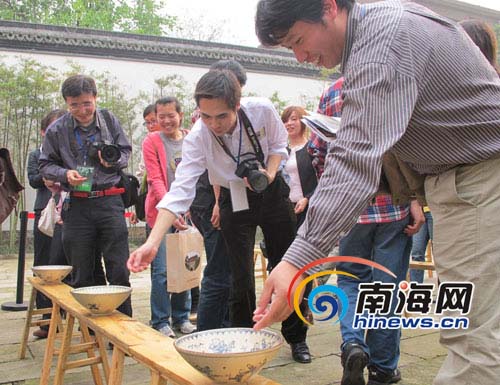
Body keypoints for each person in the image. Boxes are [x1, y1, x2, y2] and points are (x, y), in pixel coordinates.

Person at [254, 1, 500, 385]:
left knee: (475, 342)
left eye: (298, 40)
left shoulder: (383, 40)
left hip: (480, 184)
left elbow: (353, 162)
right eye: (290, 50)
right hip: (459, 185)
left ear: (329, 7)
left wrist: (296, 262)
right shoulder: (376, 34)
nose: (301, 57)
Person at [128, 69, 312, 364]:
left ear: (237, 105)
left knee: (290, 264)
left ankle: (297, 337)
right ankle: (247, 340)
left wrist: (269, 173)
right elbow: (180, 191)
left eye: (222, 116)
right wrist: (152, 241)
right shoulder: (199, 137)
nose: (213, 124)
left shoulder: (262, 109)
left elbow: (279, 146)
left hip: (272, 190)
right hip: (233, 195)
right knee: (238, 276)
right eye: (205, 116)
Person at [309, 77, 425, 384]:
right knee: (385, 289)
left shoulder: (334, 91)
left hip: (350, 209)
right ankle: (383, 368)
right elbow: (408, 148)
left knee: (350, 280)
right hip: (392, 206)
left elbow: (318, 151)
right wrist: (414, 198)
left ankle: (353, 343)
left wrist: (335, 194)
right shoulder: (392, 84)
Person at [39, 74, 133, 317]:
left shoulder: (109, 120)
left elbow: (125, 151)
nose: (81, 110)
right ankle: (92, 332)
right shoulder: (57, 129)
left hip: (109, 200)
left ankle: (124, 328)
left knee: (119, 269)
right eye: (74, 105)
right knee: (83, 272)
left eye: (86, 103)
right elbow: (45, 165)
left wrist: (112, 161)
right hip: (77, 205)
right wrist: (65, 174)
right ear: (67, 103)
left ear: (95, 97)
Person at [189, 59, 247, 332]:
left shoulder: (236, 117)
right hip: (212, 200)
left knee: (233, 271)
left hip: (230, 199)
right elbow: (216, 172)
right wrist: (217, 204)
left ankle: (227, 326)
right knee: (219, 271)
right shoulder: (207, 124)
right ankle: (206, 334)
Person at [142, 96, 195, 337]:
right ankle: (160, 320)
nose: (166, 120)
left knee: (184, 268)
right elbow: (154, 180)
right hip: (161, 214)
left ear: (180, 115)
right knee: (162, 270)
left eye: (170, 115)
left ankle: (181, 317)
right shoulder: (152, 141)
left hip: (190, 215)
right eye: (160, 116)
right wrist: (171, 211)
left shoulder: (191, 138)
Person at [27, 108, 65, 339]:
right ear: (43, 132)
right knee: (44, 264)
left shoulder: (70, 152)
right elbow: (32, 179)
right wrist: (48, 176)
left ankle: (71, 315)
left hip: (71, 210)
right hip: (45, 210)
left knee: (66, 262)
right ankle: (47, 319)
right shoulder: (36, 154)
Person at [409, 208, 433, 283]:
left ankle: (444, 288)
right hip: (419, 212)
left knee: (440, 255)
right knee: (416, 253)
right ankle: (415, 288)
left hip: (435, 210)